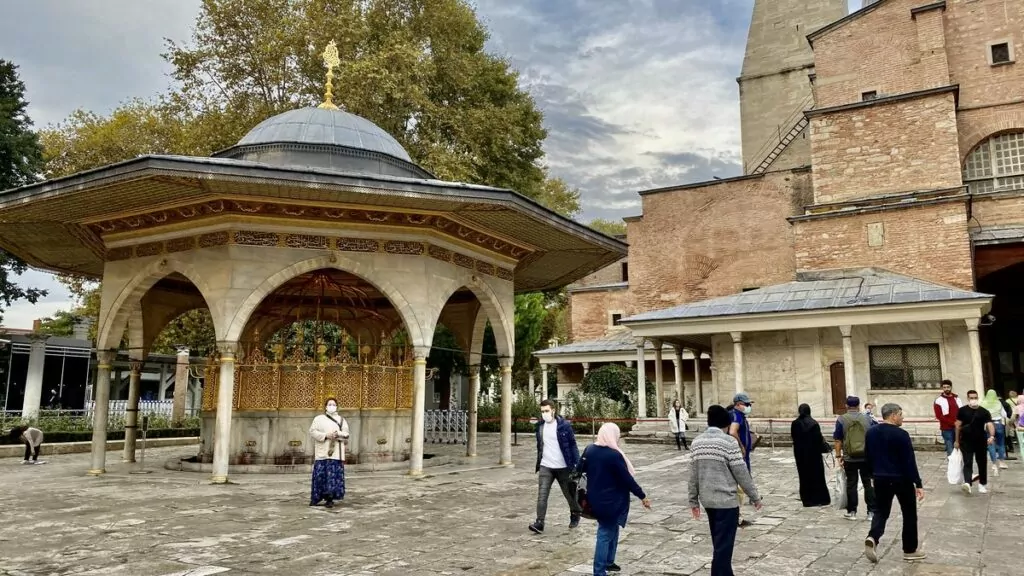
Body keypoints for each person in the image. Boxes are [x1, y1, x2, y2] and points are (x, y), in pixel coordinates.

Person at [690, 405, 763, 576]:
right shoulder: (729, 442)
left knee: (719, 541)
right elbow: (742, 473)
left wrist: (693, 500)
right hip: (726, 502)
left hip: (707, 500)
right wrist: (755, 497)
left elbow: (693, 474)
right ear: (726, 424)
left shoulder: (697, 442)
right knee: (724, 545)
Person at [581, 423, 650, 576]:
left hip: (595, 498)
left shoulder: (590, 450)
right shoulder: (613, 455)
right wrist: (642, 495)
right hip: (611, 501)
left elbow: (581, 469)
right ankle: (599, 570)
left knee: (613, 529)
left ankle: (609, 561)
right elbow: (627, 479)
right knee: (605, 533)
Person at [862, 403, 926, 563]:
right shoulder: (902, 435)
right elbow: (909, 461)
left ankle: (873, 537)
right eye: (900, 414)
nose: (902, 417)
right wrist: (918, 483)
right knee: (909, 513)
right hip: (901, 479)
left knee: (881, 511)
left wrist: (871, 473)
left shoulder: (871, 433)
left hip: (880, 478)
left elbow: (867, 455)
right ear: (893, 415)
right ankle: (909, 550)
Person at [530, 399, 582, 534]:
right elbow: (540, 446)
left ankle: (575, 513)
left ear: (553, 410)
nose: (544, 414)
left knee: (569, 494)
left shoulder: (564, 426)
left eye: (546, 411)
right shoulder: (540, 427)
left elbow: (572, 445)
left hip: (563, 467)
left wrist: (577, 465)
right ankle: (539, 522)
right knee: (542, 495)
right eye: (542, 411)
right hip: (546, 465)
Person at [833, 396, 876, 520]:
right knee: (868, 483)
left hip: (849, 457)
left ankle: (852, 512)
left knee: (851, 483)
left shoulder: (841, 419)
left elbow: (838, 439)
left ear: (846, 405)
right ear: (858, 405)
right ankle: (871, 512)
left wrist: (838, 456)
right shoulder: (867, 418)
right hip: (866, 456)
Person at [308, 397, 349, 508]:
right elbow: (312, 431)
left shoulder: (341, 420)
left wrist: (337, 434)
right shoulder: (318, 419)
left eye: (334, 404)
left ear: (337, 406)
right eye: (329, 404)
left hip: (335, 452)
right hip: (322, 452)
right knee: (320, 475)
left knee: (332, 476)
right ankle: (316, 498)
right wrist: (326, 435)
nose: (332, 406)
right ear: (325, 406)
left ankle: (330, 498)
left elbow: (346, 434)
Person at [955, 389, 996, 495]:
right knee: (967, 462)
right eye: (971, 398)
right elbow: (958, 426)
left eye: (975, 398)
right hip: (966, 441)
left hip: (981, 441)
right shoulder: (962, 411)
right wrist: (956, 440)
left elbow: (989, 424)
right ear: (968, 399)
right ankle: (968, 483)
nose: (973, 400)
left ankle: (982, 484)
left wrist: (991, 436)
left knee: (982, 463)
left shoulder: (984, 411)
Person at [790, 404, 831, 507]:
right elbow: (818, 440)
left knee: (804, 476)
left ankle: (807, 500)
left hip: (800, 454)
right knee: (817, 476)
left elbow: (794, 438)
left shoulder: (795, 424)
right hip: (814, 454)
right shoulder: (813, 424)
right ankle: (821, 498)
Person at [728, 393, 757, 525]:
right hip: (739, 454)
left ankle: (738, 513)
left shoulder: (740, 415)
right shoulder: (736, 415)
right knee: (739, 483)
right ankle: (737, 517)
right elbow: (733, 431)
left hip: (743, 454)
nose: (749, 407)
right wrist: (741, 446)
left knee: (742, 481)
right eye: (746, 404)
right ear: (738, 404)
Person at [979, 390, 1008, 476]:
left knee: (990, 444)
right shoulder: (998, 403)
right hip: (998, 423)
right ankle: (1002, 461)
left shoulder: (983, 403)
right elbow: (1005, 414)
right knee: (1001, 443)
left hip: (988, 424)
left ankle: (994, 464)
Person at [933, 380, 962, 457]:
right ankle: (952, 468)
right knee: (950, 450)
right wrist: (953, 423)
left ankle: (960, 467)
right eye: (944, 387)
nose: (946, 389)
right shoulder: (938, 400)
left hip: (958, 428)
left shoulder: (957, 398)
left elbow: (961, 411)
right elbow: (939, 416)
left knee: (960, 449)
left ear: (951, 387)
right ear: (942, 388)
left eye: (948, 387)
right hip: (947, 429)